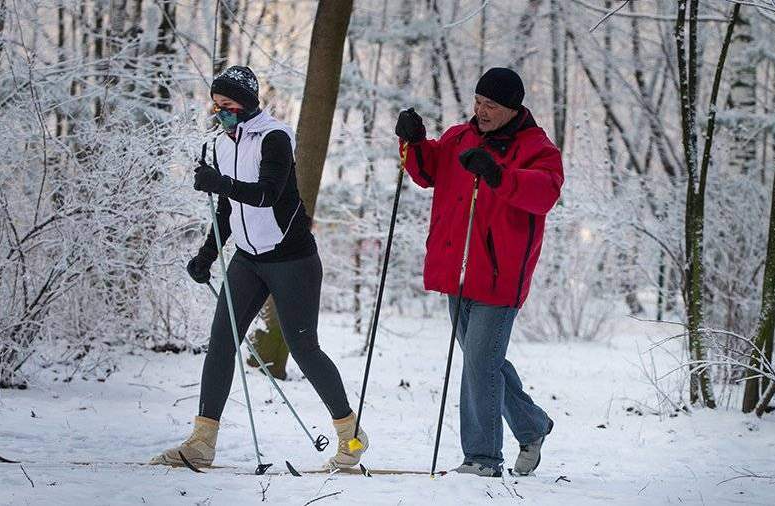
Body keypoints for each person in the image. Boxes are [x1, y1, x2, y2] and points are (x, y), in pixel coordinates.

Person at [151, 65, 367, 470]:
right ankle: (202, 442)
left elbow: (267, 194)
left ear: (248, 104)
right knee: (220, 344)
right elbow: (227, 209)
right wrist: (206, 255)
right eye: (216, 107)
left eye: (229, 106)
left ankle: (351, 437)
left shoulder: (274, 137)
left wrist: (220, 183)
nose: (221, 113)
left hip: (292, 259)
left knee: (304, 348)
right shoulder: (222, 143)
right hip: (248, 260)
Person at [395, 67, 563, 477]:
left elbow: (545, 192)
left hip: (499, 276)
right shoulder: (459, 137)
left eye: (491, 105)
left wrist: (499, 175)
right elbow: (428, 170)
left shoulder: (537, 148)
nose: (481, 111)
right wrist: (413, 141)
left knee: (479, 364)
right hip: (458, 271)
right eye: (478, 101)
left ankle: (482, 459)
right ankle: (532, 426)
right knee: (482, 361)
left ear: (512, 109)